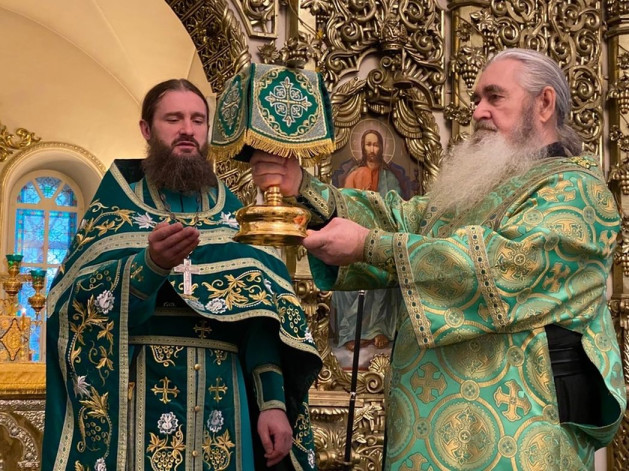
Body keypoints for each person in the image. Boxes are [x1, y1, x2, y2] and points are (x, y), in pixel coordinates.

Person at [250, 48, 628, 470]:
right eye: (476, 99)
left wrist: (371, 246)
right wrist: (303, 187)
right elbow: (400, 220)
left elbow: (499, 266)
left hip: (517, 433)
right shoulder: (480, 189)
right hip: (426, 433)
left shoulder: (577, 191)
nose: (478, 111)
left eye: (494, 97)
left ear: (544, 103)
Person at [42, 78, 321, 471]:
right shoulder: (116, 209)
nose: (187, 129)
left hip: (225, 396)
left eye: (198, 120)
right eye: (173, 119)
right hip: (140, 393)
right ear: (147, 129)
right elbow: (72, 307)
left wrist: (272, 403)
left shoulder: (234, 215)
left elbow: (262, 320)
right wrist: (147, 268)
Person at [333, 128, 402, 351]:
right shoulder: (354, 175)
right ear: (362, 147)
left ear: (382, 147)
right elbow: (344, 209)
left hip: (382, 241)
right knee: (346, 280)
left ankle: (379, 330)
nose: (372, 149)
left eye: (376, 144)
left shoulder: (390, 178)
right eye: (368, 144)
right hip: (355, 241)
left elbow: (397, 210)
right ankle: (352, 332)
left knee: (385, 279)